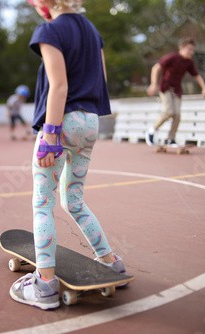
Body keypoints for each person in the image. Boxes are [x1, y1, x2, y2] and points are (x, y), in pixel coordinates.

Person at [9, 0, 130, 310]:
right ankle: (110, 261)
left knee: (43, 202)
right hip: (90, 122)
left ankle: (45, 285)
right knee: (73, 200)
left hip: (61, 124)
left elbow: (59, 86)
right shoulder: (93, 31)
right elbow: (100, 78)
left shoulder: (49, 30)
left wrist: (50, 135)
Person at [145, 37, 205, 147]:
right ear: (181, 48)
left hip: (177, 90)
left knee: (177, 115)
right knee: (169, 111)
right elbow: (156, 68)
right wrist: (153, 84)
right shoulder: (172, 57)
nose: (191, 52)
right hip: (165, 88)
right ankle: (151, 131)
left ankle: (171, 139)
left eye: (193, 50)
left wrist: (204, 88)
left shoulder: (189, 62)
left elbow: (197, 76)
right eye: (189, 49)